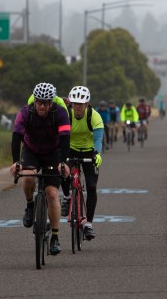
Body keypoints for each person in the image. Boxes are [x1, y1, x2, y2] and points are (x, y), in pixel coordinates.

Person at [10, 82, 71, 256]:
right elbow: (16, 137)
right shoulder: (25, 113)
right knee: (28, 177)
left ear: (52, 102)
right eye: (39, 102)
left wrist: (63, 162)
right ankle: (30, 206)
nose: (42, 106)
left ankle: (55, 237)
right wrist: (16, 162)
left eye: (46, 102)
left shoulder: (60, 113)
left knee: (52, 193)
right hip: (31, 151)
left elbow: (66, 139)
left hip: (53, 153)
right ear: (34, 100)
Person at [60, 86, 104, 240]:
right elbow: (60, 136)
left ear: (87, 104)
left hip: (89, 151)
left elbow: (98, 139)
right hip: (70, 150)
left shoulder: (95, 116)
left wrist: (97, 154)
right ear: (70, 103)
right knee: (62, 172)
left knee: (91, 186)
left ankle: (88, 223)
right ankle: (66, 197)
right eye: (75, 103)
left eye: (81, 103)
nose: (77, 106)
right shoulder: (66, 115)